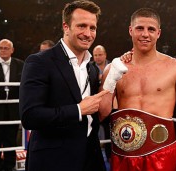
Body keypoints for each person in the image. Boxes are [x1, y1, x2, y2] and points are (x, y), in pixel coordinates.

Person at [99, 8, 176, 171]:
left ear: (158, 33)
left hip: (163, 154)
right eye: (140, 28)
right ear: (131, 30)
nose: (145, 34)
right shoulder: (114, 68)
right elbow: (102, 113)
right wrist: (111, 79)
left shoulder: (175, 67)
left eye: (151, 29)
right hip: (123, 156)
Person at [19, 1, 109, 171]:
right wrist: (78, 110)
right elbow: (30, 116)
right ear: (66, 27)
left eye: (93, 28)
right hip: (53, 160)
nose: (88, 33)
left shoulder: (92, 67)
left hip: (91, 158)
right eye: (81, 26)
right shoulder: (39, 62)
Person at [0, 39, 24, 171]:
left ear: (12, 50)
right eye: (1, 48)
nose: (3, 50)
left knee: (11, 138)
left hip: (13, 109)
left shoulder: (20, 65)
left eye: (6, 48)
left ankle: (9, 166)